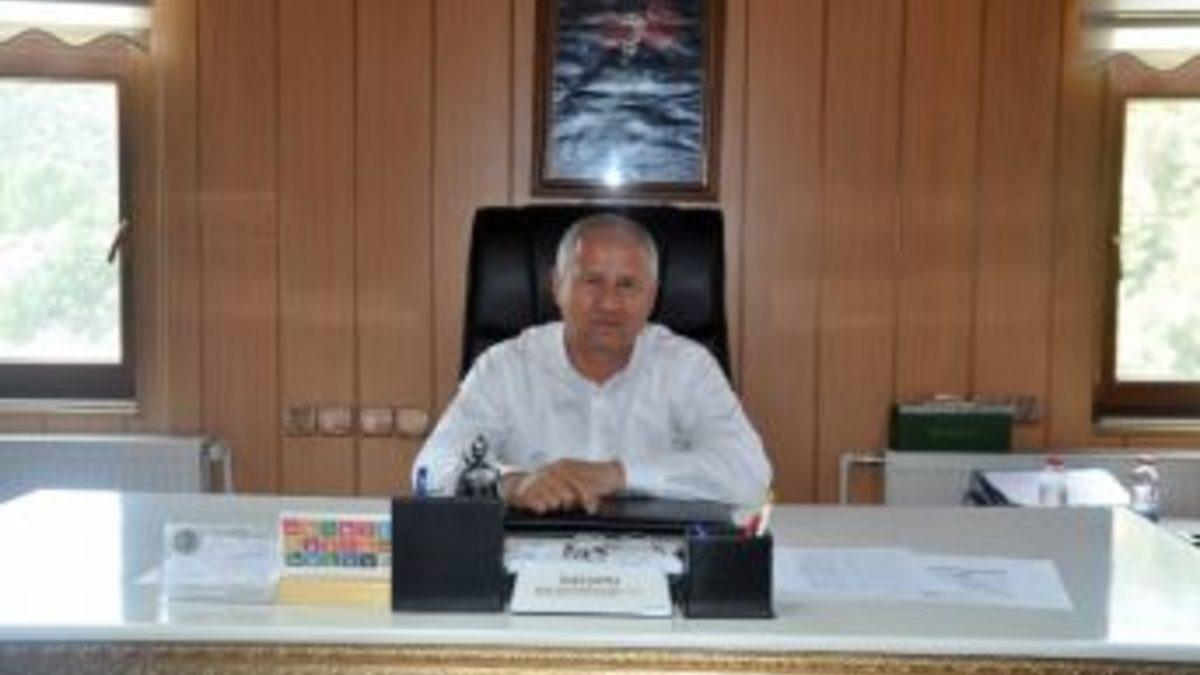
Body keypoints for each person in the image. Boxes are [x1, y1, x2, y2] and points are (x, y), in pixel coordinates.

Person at [412, 213, 771, 513]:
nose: (609, 303)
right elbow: (430, 472)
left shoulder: (688, 367)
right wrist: (512, 483)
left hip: (660, 557)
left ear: (653, 295)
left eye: (627, 285)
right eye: (591, 281)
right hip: (527, 554)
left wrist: (617, 475)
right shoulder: (504, 367)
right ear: (557, 285)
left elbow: (750, 475)